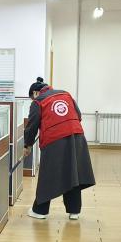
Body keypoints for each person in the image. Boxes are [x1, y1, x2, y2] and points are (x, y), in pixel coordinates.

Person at [24, 78, 95, 220]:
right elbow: (78, 115)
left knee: (48, 174)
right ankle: (74, 211)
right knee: (73, 172)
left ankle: (40, 211)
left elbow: (32, 126)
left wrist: (27, 145)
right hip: (77, 137)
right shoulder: (66, 94)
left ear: (35, 93)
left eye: (32, 97)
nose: (33, 100)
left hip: (55, 140)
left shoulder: (38, 102)